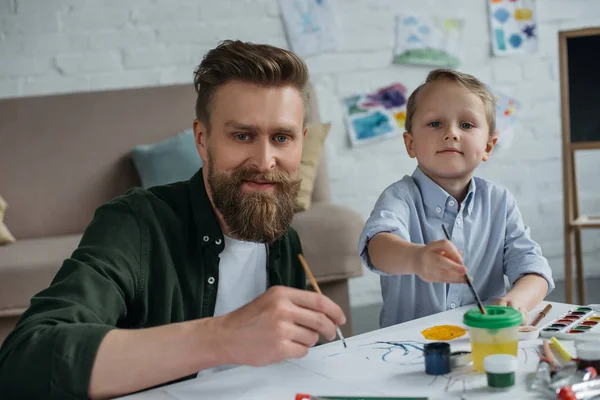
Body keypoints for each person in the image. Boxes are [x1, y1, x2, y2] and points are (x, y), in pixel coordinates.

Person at [0, 40, 346, 400]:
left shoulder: (282, 237)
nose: (264, 160)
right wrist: (221, 336)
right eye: (242, 136)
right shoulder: (135, 224)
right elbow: (24, 362)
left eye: (281, 138)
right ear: (202, 139)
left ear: (301, 143)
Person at [358, 69, 554, 328]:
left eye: (467, 125)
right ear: (410, 144)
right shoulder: (400, 197)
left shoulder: (499, 202)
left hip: (482, 340)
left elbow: (535, 269)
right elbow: (377, 247)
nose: (451, 133)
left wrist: (517, 300)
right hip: (410, 348)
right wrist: (416, 258)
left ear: (487, 146)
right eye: (435, 123)